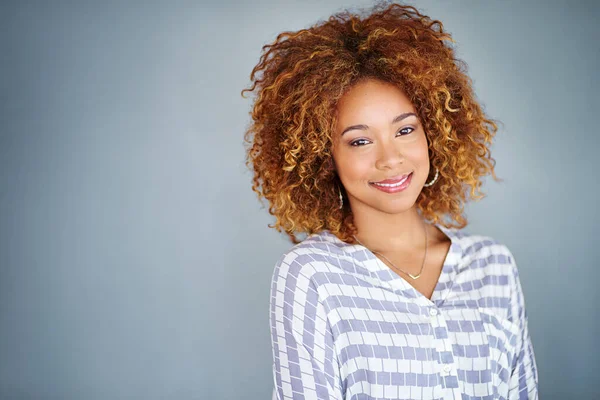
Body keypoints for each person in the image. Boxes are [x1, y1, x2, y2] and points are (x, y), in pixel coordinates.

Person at [242, 3, 538, 399]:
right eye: (360, 140)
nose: (390, 158)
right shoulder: (312, 276)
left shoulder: (493, 266)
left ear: (434, 132)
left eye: (405, 129)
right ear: (323, 157)